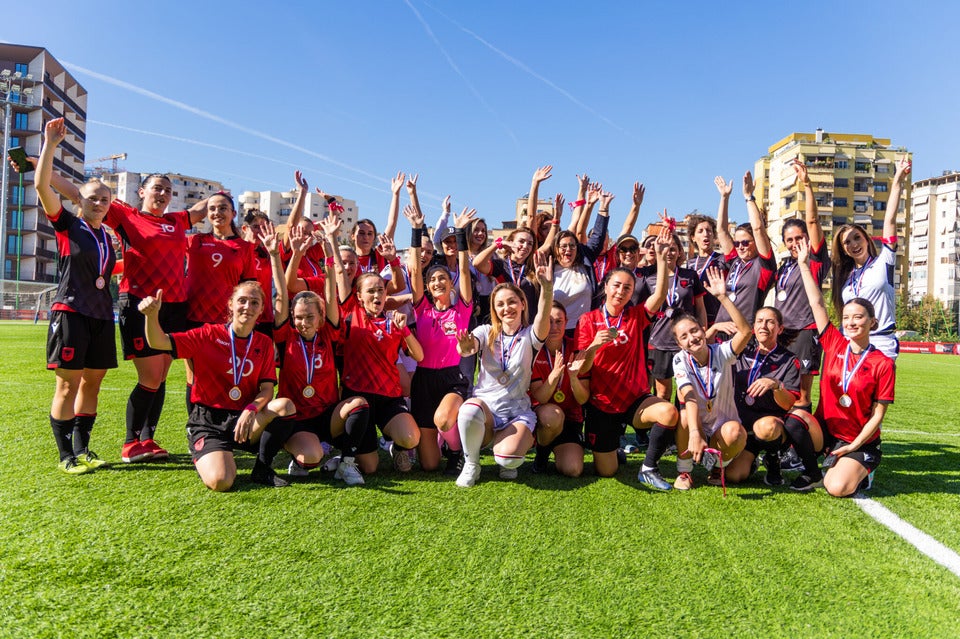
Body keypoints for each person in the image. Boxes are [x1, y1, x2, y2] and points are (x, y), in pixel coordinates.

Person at [138, 281, 296, 491]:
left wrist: (251, 409)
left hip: (244, 420)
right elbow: (158, 342)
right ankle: (202, 447)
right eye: (242, 301)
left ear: (260, 310)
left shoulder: (264, 343)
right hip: (209, 421)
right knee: (221, 481)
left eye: (254, 303)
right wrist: (151, 316)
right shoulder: (207, 335)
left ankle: (262, 468)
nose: (247, 307)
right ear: (230, 304)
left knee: (285, 406)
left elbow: (267, 389)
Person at [35, 118, 118, 474]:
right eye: (92, 198)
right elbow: (41, 184)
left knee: (92, 384)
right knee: (67, 387)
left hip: (101, 315)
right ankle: (65, 454)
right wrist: (50, 144)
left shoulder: (107, 237)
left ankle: (84, 448)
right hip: (70, 312)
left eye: (104, 200)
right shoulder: (68, 225)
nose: (99, 203)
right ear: (79, 201)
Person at [575, 228, 679, 484]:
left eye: (628, 287)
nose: (621, 291)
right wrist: (594, 347)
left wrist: (663, 262)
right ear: (606, 287)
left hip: (634, 399)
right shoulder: (588, 320)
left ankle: (649, 467)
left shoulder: (635, 316)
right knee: (606, 471)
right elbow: (581, 366)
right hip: (602, 404)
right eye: (617, 286)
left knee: (668, 412)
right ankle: (615, 452)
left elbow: (659, 295)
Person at [276, 218, 373, 486]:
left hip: (326, 416)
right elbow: (285, 292)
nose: (304, 322)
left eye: (310, 317)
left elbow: (332, 294)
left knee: (359, 404)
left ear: (320, 318)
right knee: (311, 458)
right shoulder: (287, 337)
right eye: (299, 317)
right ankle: (298, 454)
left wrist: (331, 246)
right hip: (298, 418)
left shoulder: (327, 333)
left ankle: (346, 462)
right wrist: (284, 254)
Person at [797, 236, 895, 497]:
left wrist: (855, 444)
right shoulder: (834, 342)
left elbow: (878, 415)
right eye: (847, 318)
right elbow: (816, 303)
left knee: (837, 488)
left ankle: (865, 469)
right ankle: (812, 470)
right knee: (795, 420)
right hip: (829, 433)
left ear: (872, 323)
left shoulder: (882, 362)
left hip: (859, 439)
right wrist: (804, 265)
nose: (851, 323)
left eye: (858, 317)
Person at [454, 251, 554, 487]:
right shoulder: (484, 331)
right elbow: (469, 348)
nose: (506, 308)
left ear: (522, 304)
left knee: (508, 460)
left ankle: (506, 452)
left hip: (515, 413)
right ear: (494, 308)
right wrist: (465, 348)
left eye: (511, 302)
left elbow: (543, 317)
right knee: (468, 409)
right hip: (486, 412)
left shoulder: (531, 335)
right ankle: (472, 463)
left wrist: (547, 289)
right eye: (500, 304)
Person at [330, 264, 425, 474]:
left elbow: (419, 355)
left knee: (410, 438)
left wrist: (405, 331)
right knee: (370, 468)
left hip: (388, 399)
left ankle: (398, 449)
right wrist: (332, 243)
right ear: (359, 296)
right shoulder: (350, 316)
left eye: (380, 290)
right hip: (358, 401)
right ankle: (346, 452)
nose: (377, 295)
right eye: (370, 291)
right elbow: (339, 277)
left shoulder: (394, 323)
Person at [722, 306, 824, 491]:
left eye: (770, 322)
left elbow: (788, 403)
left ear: (780, 328)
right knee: (733, 476)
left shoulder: (788, 360)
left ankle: (773, 458)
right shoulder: (742, 352)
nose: (764, 326)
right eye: (760, 321)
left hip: (771, 427)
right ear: (753, 327)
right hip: (743, 426)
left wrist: (776, 385)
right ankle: (751, 461)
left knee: (765, 427)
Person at [405, 205, 474, 473]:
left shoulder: (462, 309)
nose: (437, 282)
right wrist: (415, 230)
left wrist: (460, 234)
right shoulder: (422, 308)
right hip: (423, 380)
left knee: (443, 419)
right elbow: (413, 272)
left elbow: (466, 272)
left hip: (450, 378)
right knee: (430, 465)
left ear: (451, 283)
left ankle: (458, 451)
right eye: (432, 279)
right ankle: (442, 444)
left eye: (442, 277)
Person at [671, 267, 752, 490]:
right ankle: (685, 471)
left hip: (721, 426)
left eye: (694, 331)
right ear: (679, 344)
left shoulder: (722, 352)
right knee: (685, 415)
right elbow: (688, 397)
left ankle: (716, 465)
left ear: (703, 329)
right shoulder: (680, 359)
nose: (692, 338)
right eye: (684, 337)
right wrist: (695, 433)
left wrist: (723, 298)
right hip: (697, 423)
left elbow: (745, 332)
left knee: (737, 434)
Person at [182, 192, 257, 412]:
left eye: (223, 208)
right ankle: (194, 427)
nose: (217, 213)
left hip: (227, 323)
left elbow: (250, 287)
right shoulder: (194, 241)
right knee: (194, 376)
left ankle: (226, 424)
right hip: (194, 319)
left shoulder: (244, 248)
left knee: (227, 373)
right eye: (212, 208)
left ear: (233, 213)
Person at [830, 157, 910, 360]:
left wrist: (898, 179)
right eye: (847, 242)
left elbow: (890, 219)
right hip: (851, 343)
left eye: (857, 238)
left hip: (881, 342)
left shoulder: (884, 261)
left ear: (867, 239)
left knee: (878, 393)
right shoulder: (845, 277)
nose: (854, 244)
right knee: (848, 392)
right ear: (843, 250)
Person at [775, 159, 828, 410]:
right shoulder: (784, 265)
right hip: (781, 334)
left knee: (802, 395)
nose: (795, 242)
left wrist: (806, 186)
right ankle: (782, 444)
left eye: (799, 237)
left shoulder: (815, 260)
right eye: (789, 239)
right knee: (781, 390)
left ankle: (801, 445)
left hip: (806, 332)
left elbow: (814, 221)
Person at [636, 231, 706, 401]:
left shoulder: (690, 275)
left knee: (686, 392)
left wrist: (703, 333)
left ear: (680, 252)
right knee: (662, 393)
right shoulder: (650, 278)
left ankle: (683, 426)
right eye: (666, 248)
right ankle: (664, 426)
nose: (669, 252)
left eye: (673, 249)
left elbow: (701, 309)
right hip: (659, 342)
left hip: (685, 341)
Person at [530, 302, 590, 477]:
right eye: (549, 322)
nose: (554, 327)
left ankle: (556, 448)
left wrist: (572, 378)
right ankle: (541, 455)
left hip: (571, 418)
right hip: (544, 418)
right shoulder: (533, 350)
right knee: (553, 415)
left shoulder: (577, 348)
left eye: (558, 321)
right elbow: (540, 398)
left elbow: (582, 399)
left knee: (573, 470)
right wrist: (554, 375)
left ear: (566, 322)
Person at [713, 173, 776, 332]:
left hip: (744, 332)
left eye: (745, 243)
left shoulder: (763, 266)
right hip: (722, 330)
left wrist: (749, 197)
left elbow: (758, 229)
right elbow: (721, 231)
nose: (740, 247)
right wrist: (724, 197)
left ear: (756, 243)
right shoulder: (735, 261)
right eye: (736, 243)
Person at [684, 214, 728, 325]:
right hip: (694, 320)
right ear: (693, 237)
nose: (706, 234)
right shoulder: (690, 264)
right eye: (700, 231)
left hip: (717, 319)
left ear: (714, 235)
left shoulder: (722, 260)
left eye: (709, 231)